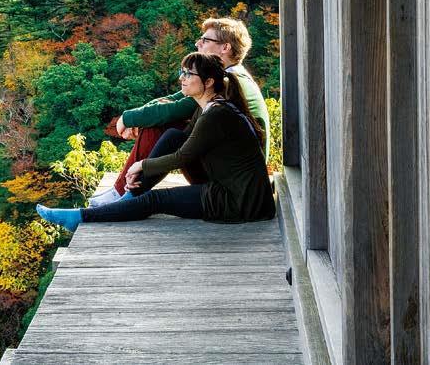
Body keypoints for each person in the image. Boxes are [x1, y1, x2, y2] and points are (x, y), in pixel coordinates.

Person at [36, 52, 275, 230]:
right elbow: (179, 142)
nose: (182, 78)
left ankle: (81, 217)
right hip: (232, 187)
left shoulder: (217, 114)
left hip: (240, 201)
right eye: (182, 72)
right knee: (172, 135)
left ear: (209, 82)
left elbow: (182, 157)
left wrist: (141, 165)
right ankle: (129, 198)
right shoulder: (208, 108)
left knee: (155, 200)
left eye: (188, 74)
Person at [89, 16, 270, 207]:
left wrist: (128, 118)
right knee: (164, 125)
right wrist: (136, 117)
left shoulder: (227, 82)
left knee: (163, 126)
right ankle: (126, 192)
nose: (198, 43)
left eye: (206, 40)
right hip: (227, 170)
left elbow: (176, 109)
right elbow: (176, 99)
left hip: (233, 181)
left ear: (225, 48)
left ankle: (123, 194)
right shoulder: (228, 75)